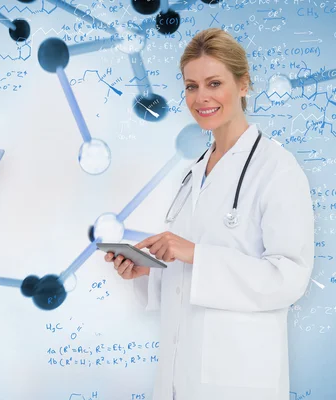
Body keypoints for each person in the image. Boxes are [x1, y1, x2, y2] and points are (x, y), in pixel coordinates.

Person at [104, 28, 314, 400]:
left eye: (214, 83)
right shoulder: (194, 171)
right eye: (191, 86)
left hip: (240, 379)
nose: (201, 98)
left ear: (244, 84)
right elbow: (187, 276)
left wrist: (195, 253)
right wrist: (146, 271)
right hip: (178, 377)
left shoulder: (277, 169)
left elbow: (290, 277)